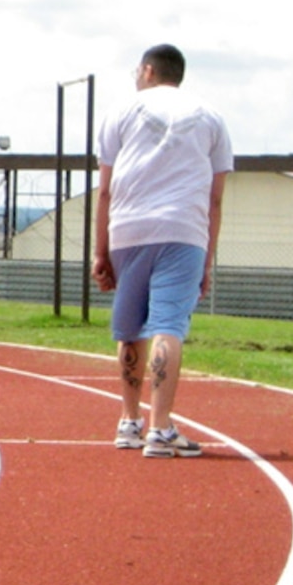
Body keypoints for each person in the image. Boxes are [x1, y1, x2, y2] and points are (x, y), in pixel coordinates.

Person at [91, 43, 231, 458]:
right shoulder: (211, 117)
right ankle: (161, 427)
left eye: (138, 70)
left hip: (128, 229)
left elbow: (104, 189)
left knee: (130, 327)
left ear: (149, 71)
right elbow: (216, 197)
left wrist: (100, 252)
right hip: (183, 230)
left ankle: (129, 421)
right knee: (168, 325)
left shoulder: (120, 112)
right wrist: (207, 260)